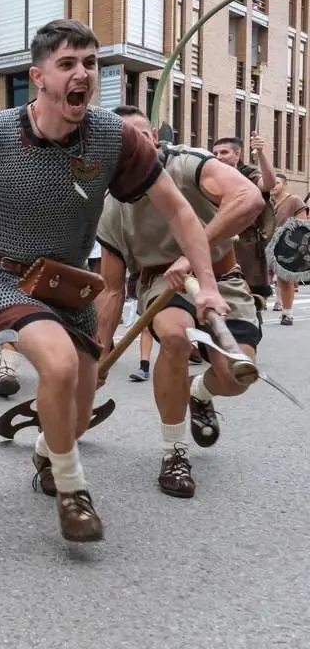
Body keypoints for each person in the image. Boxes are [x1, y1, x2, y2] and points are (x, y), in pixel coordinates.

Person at [0, 20, 227, 543]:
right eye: (67, 64)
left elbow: (182, 213)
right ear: (39, 76)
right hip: (8, 280)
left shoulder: (113, 137)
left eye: (90, 64)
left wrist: (206, 283)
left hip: (72, 285)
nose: (82, 74)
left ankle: (48, 452)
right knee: (61, 365)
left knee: (84, 394)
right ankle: (74, 493)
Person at [93, 105, 264, 497]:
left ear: (153, 137)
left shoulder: (189, 165)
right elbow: (113, 289)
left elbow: (249, 198)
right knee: (174, 336)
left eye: (138, 136)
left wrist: (193, 254)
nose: (131, 146)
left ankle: (200, 392)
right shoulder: (110, 208)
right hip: (162, 288)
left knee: (237, 378)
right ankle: (174, 452)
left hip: (221, 281)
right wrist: (101, 351)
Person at [211, 135, 275, 298]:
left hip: (244, 243)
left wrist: (260, 153)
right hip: (215, 240)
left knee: (251, 296)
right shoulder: (207, 175)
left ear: (237, 155)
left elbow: (269, 184)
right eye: (215, 153)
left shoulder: (247, 174)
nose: (218, 157)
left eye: (224, 152)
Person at [269, 172, 309, 325]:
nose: (274, 185)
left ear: (285, 184)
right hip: (265, 245)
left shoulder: (294, 200)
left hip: (285, 244)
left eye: (277, 182)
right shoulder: (266, 200)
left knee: (284, 279)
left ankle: (287, 313)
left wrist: (286, 233)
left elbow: (302, 224)